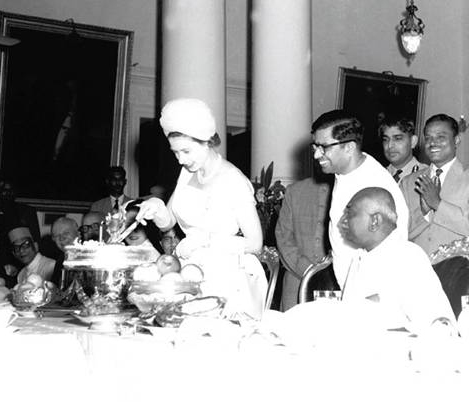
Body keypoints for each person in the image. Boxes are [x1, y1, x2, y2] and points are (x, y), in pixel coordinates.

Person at [135, 98, 267, 318]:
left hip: (227, 276)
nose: (180, 160)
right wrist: (156, 207)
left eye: (186, 151)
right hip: (189, 271)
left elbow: (255, 244)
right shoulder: (187, 172)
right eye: (175, 152)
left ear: (207, 141)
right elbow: (168, 222)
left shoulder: (232, 179)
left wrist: (205, 241)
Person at [311, 109, 409, 289]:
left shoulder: (373, 185)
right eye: (315, 147)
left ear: (349, 147)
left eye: (324, 147)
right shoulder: (344, 173)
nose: (317, 155)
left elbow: (388, 254)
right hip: (349, 288)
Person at [338, 187, 454, 332]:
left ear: (375, 221)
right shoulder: (360, 256)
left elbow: (438, 326)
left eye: (350, 214)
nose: (342, 221)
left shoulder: (407, 258)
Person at [400, 113, 469, 256]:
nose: (433, 143)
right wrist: (425, 214)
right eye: (428, 138)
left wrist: (438, 205)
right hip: (416, 268)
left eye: (440, 137)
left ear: (456, 140)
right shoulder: (409, 182)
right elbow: (399, 232)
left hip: (457, 270)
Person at [275, 171, 336, 311]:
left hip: (336, 286)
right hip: (296, 284)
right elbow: (283, 236)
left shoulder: (351, 189)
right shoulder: (294, 191)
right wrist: (306, 269)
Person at [379, 114, 427, 184]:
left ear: (413, 142)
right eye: (385, 139)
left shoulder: (426, 176)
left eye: (398, 139)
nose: (390, 145)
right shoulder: (377, 175)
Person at [50, 217, 79, 288]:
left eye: (66, 233)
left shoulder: (88, 258)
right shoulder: (60, 260)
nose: (61, 238)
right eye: (57, 235)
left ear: (78, 234)